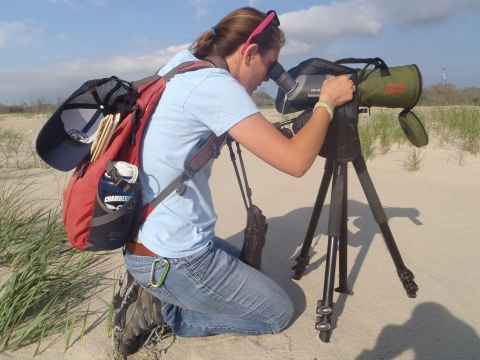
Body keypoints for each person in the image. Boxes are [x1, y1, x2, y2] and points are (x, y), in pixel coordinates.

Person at [113, 6, 354, 357]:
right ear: (249, 52)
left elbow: (249, 132)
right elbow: (296, 162)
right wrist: (327, 103)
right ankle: (163, 310)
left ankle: (158, 288)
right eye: (270, 66)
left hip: (146, 241)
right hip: (174, 259)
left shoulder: (183, 65)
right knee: (277, 312)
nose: (269, 78)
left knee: (248, 270)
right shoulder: (216, 87)